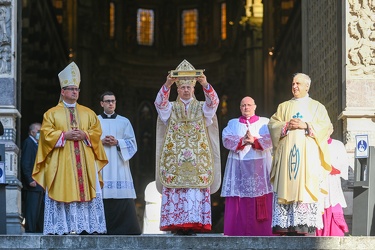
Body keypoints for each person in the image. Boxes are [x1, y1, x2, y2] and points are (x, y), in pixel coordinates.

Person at [32, 62, 108, 235]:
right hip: (62, 162)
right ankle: (63, 227)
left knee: (87, 190)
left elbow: (96, 132)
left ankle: (87, 226)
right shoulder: (51, 113)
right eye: (71, 89)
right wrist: (63, 136)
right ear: (62, 91)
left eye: (77, 89)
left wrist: (85, 135)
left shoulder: (88, 113)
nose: (75, 92)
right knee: (62, 189)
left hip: (85, 162)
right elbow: (45, 135)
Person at [154, 59, 221, 235]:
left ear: (193, 89)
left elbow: (213, 104)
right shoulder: (170, 108)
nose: (185, 90)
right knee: (177, 188)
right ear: (178, 89)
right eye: (182, 87)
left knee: (193, 190)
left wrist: (205, 84)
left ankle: (194, 223)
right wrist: (168, 84)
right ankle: (176, 224)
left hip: (197, 158)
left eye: (188, 87)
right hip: (175, 159)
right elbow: (159, 104)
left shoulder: (201, 107)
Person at [268, 73, 332, 236]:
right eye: (293, 83)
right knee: (286, 186)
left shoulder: (317, 107)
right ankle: (286, 225)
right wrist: (285, 125)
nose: (294, 86)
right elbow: (272, 124)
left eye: (298, 83)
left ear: (307, 86)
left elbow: (326, 127)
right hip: (287, 157)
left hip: (307, 157)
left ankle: (304, 225)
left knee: (305, 185)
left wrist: (306, 125)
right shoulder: (283, 107)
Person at [221, 96, 274, 236]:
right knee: (240, 200)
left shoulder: (265, 122)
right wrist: (242, 140)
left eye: (249, 105)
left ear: (255, 106)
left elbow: (272, 138)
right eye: (243, 105)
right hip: (239, 170)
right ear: (240, 108)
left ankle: (263, 233)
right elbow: (226, 138)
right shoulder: (233, 123)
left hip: (260, 168)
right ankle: (237, 231)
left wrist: (255, 141)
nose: (246, 108)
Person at [98, 91, 141, 235]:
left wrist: (118, 142)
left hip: (119, 163)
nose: (111, 103)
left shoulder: (124, 121)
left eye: (113, 101)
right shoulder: (95, 121)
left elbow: (132, 144)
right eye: (108, 101)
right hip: (102, 164)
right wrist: (101, 142)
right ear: (102, 103)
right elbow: (88, 142)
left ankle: (125, 228)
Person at [316, 127, 351, 236]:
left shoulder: (338, 144)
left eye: (327, 129)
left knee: (335, 207)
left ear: (331, 131)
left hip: (333, 182)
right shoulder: (315, 144)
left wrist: (335, 168)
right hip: (320, 182)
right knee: (320, 208)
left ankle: (336, 234)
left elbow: (344, 162)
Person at [21, 122, 44, 233]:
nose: (40, 134)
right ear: (32, 132)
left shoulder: (36, 144)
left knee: (37, 210)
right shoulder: (29, 143)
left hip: (38, 184)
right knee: (31, 209)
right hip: (32, 184)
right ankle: (30, 230)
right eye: (38, 131)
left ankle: (36, 230)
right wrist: (29, 179)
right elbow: (25, 163)